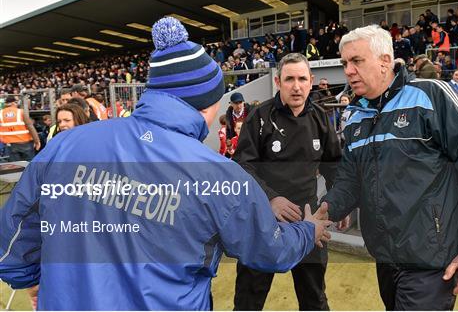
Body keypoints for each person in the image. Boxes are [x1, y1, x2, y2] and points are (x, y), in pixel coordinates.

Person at [0, 17, 332, 311]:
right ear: (205, 104)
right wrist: (308, 230)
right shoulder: (216, 173)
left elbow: (13, 239)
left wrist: (30, 278)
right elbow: (271, 250)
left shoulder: (65, 145)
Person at [319, 25, 458, 310]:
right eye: (344, 63)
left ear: (385, 60)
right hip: (385, 259)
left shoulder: (432, 94)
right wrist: (327, 210)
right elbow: (350, 181)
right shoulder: (355, 115)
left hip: (431, 261)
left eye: (356, 61)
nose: (348, 71)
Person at [232, 53, 342, 311]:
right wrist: (271, 198)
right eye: (289, 79)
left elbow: (335, 166)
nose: (296, 85)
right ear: (278, 81)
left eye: (302, 78)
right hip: (262, 222)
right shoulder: (259, 117)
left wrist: (339, 202)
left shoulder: (321, 118)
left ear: (311, 81)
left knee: (314, 299)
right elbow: (242, 166)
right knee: (249, 300)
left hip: (308, 222)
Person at [0, 95, 40, 161]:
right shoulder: (21, 112)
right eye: (16, 102)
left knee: (16, 167)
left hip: (10, 146)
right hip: (25, 144)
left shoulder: (1, 114)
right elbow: (30, 127)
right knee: (28, 166)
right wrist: (37, 141)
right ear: (13, 103)